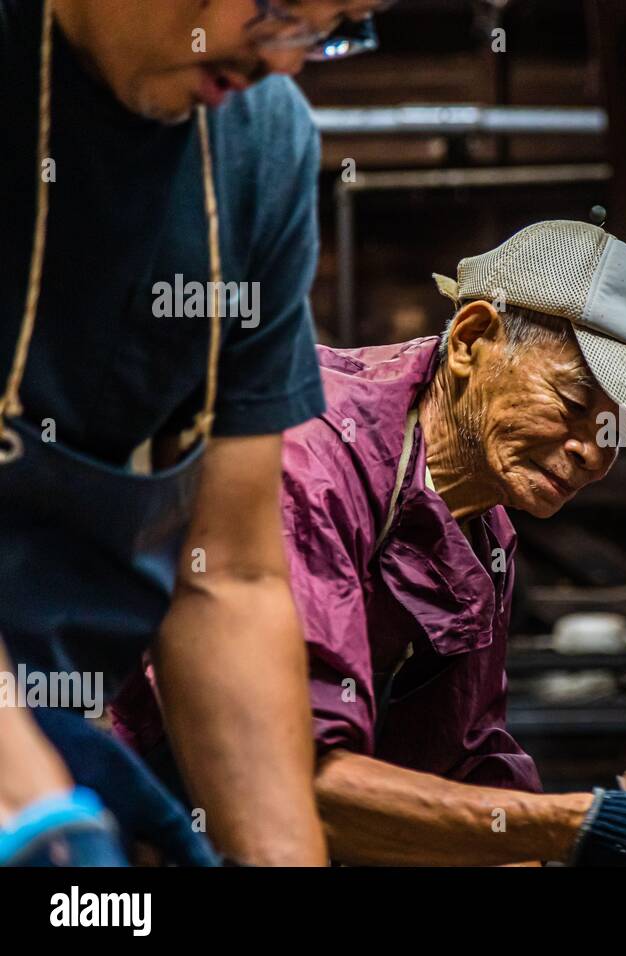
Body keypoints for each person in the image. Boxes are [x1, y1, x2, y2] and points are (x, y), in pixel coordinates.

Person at [115, 220, 626, 866]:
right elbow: (285, 783)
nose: (593, 454)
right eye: (571, 402)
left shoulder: (486, 539)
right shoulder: (306, 451)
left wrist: (568, 851)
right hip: (118, 826)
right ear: (473, 340)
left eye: (614, 432)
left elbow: (464, 775)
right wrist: (579, 823)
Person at [0, 0, 397, 866]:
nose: (286, 61)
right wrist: (36, 819)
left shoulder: (260, 148)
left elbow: (231, 579)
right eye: (280, 9)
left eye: (337, 24)